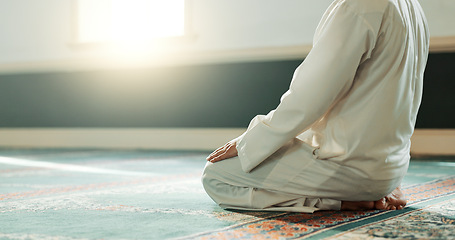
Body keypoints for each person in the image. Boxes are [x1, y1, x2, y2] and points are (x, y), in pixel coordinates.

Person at [202, 0, 429, 212]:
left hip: (351, 167)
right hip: (393, 169)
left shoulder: (358, 6)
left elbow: (309, 99)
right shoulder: (412, 7)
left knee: (215, 177)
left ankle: (344, 201)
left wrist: (248, 142)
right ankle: (370, 190)